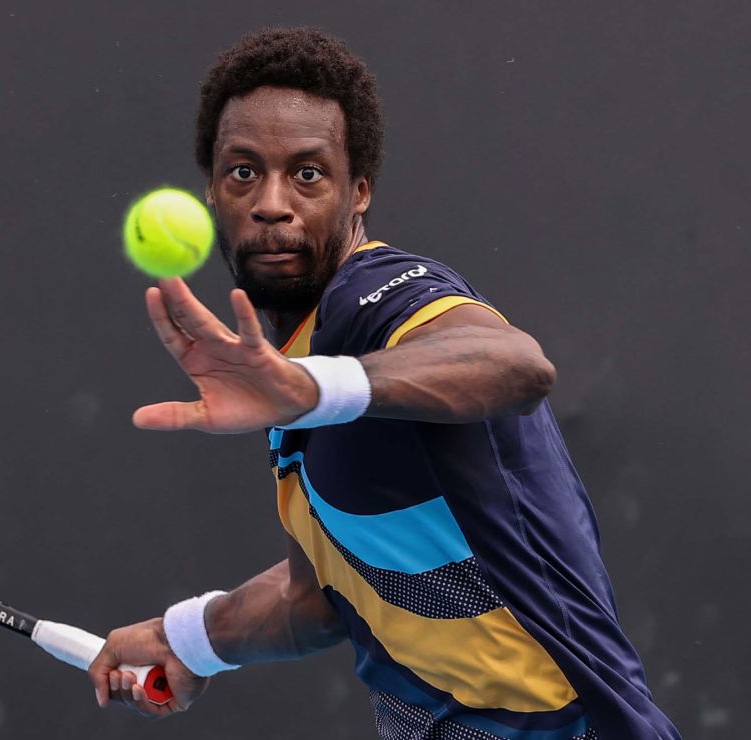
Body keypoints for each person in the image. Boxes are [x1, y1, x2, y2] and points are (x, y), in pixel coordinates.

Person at [89, 27, 680, 739]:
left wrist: (317, 388)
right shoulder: (293, 365)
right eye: (243, 173)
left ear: (358, 191)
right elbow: (320, 601)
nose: (272, 202)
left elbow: (516, 366)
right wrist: (187, 640)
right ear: (212, 192)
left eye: (307, 174)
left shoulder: (375, 300)